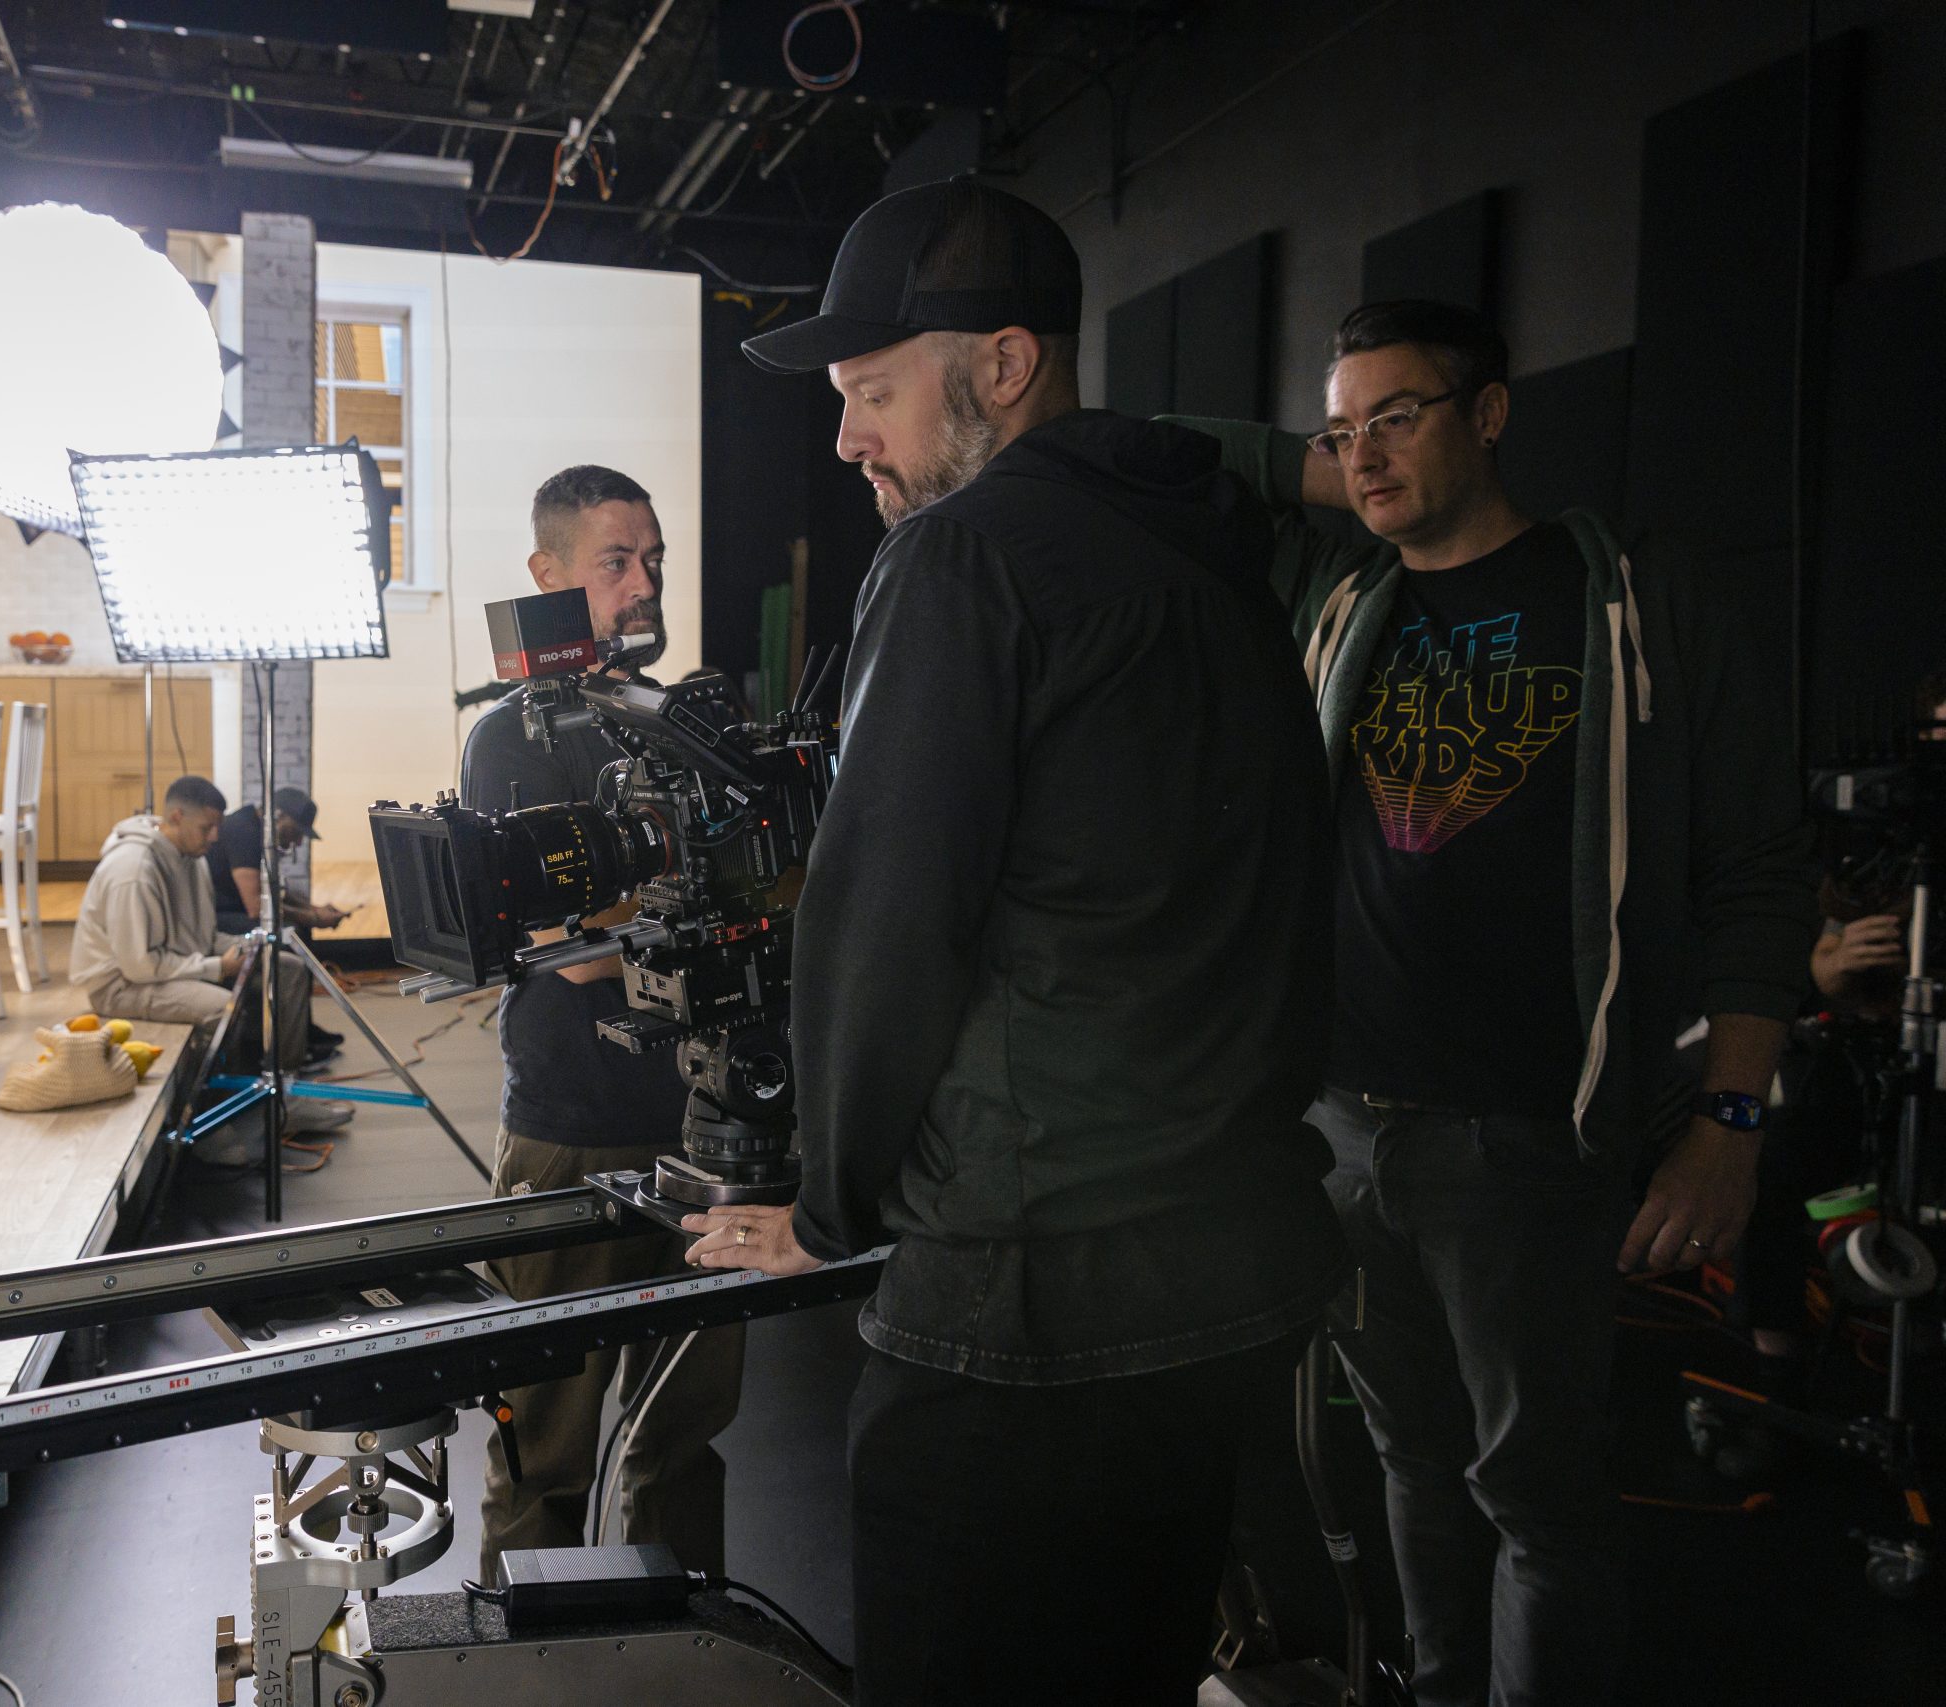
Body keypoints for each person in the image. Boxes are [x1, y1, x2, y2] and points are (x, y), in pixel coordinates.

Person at [686, 180, 1349, 1705]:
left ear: (1000, 365)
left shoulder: (963, 558)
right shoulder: (1220, 564)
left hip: (1020, 1296)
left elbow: (883, 927)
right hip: (1224, 1276)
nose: (849, 438)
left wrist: (835, 1202)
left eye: (871, 393)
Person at [1165, 300, 1818, 1707]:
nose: (1368, 454)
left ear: (1494, 412)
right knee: (1405, 1460)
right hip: (1344, 1127)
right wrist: (1330, 466)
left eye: (1400, 415)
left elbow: (1765, 874)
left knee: (1539, 1494)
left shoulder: (1643, 598)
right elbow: (1161, 450)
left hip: (1525, 1138)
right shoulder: (1337, 593)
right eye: (1345, 429)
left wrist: (1732, 1120)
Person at [462, 464, 744, 1580]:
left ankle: (680, 1658)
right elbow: (568, 945)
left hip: (706, 1130)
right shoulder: (510, 738)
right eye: (616, 561)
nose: (643, 583)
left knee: (684, 1449)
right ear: (548, 574)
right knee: (543, 1453)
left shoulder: (675, 721)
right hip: (572, 1131)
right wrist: (700, 899)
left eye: (654, 560)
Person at [70, 774, 346, 1140]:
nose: (216, 837)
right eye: (207, 827)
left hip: (164, 968)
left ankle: (282, 1096)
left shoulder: (192, 858)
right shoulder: (133, 871)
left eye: (217, 826)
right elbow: (139, 967)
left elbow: (201, 937)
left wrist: (247, 945)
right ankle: (210, 1125)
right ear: (177, 817)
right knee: (221, 1006)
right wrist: (218, 967)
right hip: (120, 985)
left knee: (287, 969)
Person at [208, 785, 350, 1064]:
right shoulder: (244, 832)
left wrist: (314, 909)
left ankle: (301, 1029)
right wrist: (313, 917)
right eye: (296, 832)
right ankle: (289, 1049)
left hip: (236, 914)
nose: (297, 842)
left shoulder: (259, 828)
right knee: (290, 938)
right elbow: (256, 907)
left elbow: (276, 889)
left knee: (301, 930)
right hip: (221, 920)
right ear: (278, 816)